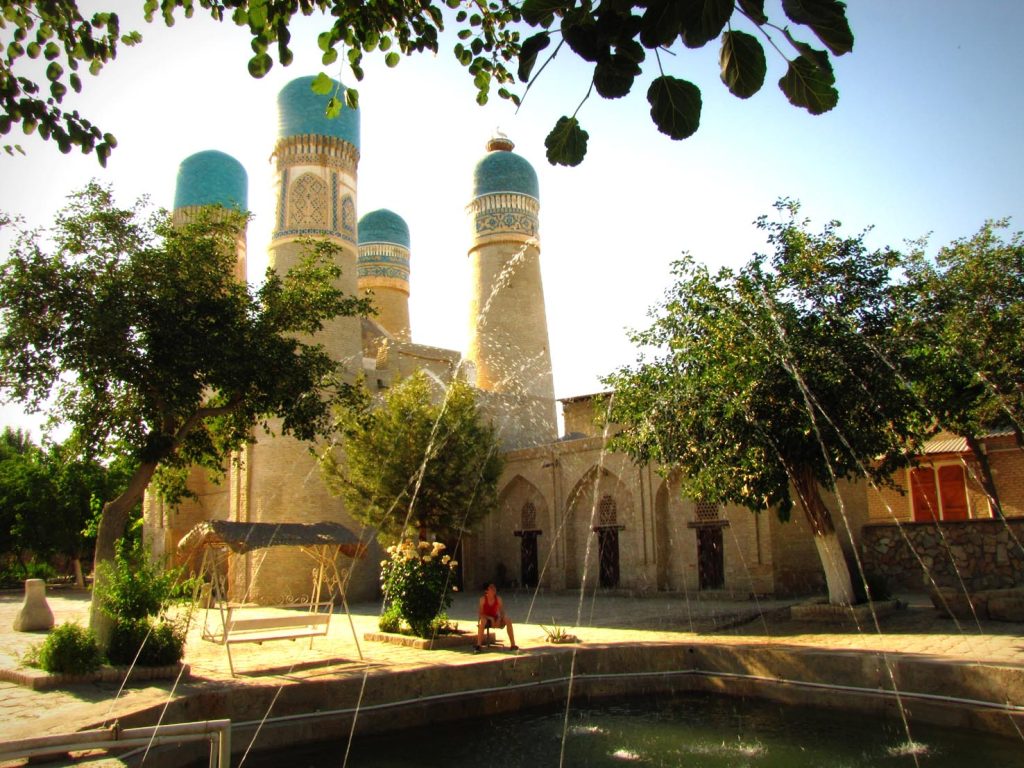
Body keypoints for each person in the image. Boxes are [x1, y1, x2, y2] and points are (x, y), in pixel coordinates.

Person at [476, 583, 517, 652]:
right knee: (482, 622)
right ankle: (478, 645)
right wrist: (490, 618)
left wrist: (499, 618)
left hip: (496, 618)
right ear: (487, 591)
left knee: (508, 620)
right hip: (486, 618)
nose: (493, 589)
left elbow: (502, 612)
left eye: (494, 588)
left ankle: (513, 645)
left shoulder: (498, 599)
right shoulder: (482, 599)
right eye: (491, 588)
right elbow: (480, 614)